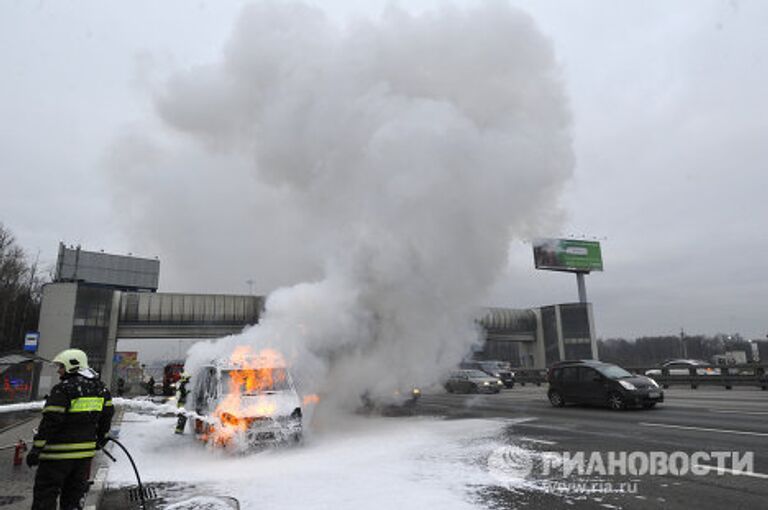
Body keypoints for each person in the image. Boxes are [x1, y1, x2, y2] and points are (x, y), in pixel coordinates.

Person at [27, 348, 114, 510]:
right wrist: (100, 439)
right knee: (73, 500)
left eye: (61, 366)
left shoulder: (63, 389)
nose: (59, 371)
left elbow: (51, 421)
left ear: (72, 366)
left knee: (45, 496)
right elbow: (107, 417)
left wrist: (36, 449)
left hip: (56, 455)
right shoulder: (101, 389)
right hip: (83, 457)